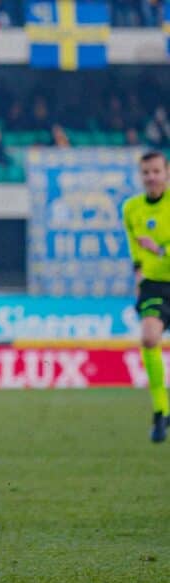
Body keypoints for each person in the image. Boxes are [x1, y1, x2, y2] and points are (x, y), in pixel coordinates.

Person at [122, 150, 170, 442]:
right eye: (146, 172)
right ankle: (160, 411)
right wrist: (138, 272)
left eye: (156, 171)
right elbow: (134, 243)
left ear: (167, 172)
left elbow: (150, 245)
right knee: (149, 338)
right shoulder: (132, 208)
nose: (151, 177)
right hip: (154, 285)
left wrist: (160, 250)